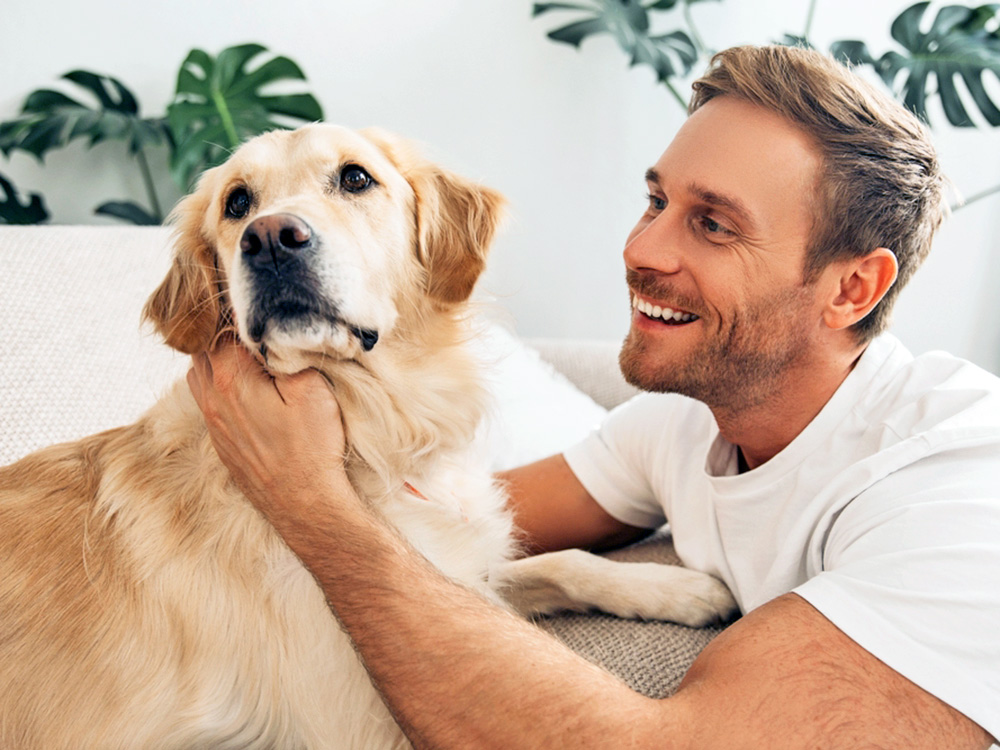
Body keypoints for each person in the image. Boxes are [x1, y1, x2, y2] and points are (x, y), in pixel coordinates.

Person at [186, 45, 1000, 748]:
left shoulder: (963, 491)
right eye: (657, 202)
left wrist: (308, 501)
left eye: (713, 225)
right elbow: (453, 531)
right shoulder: (683, 426)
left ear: (853, 288)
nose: (642, 250)